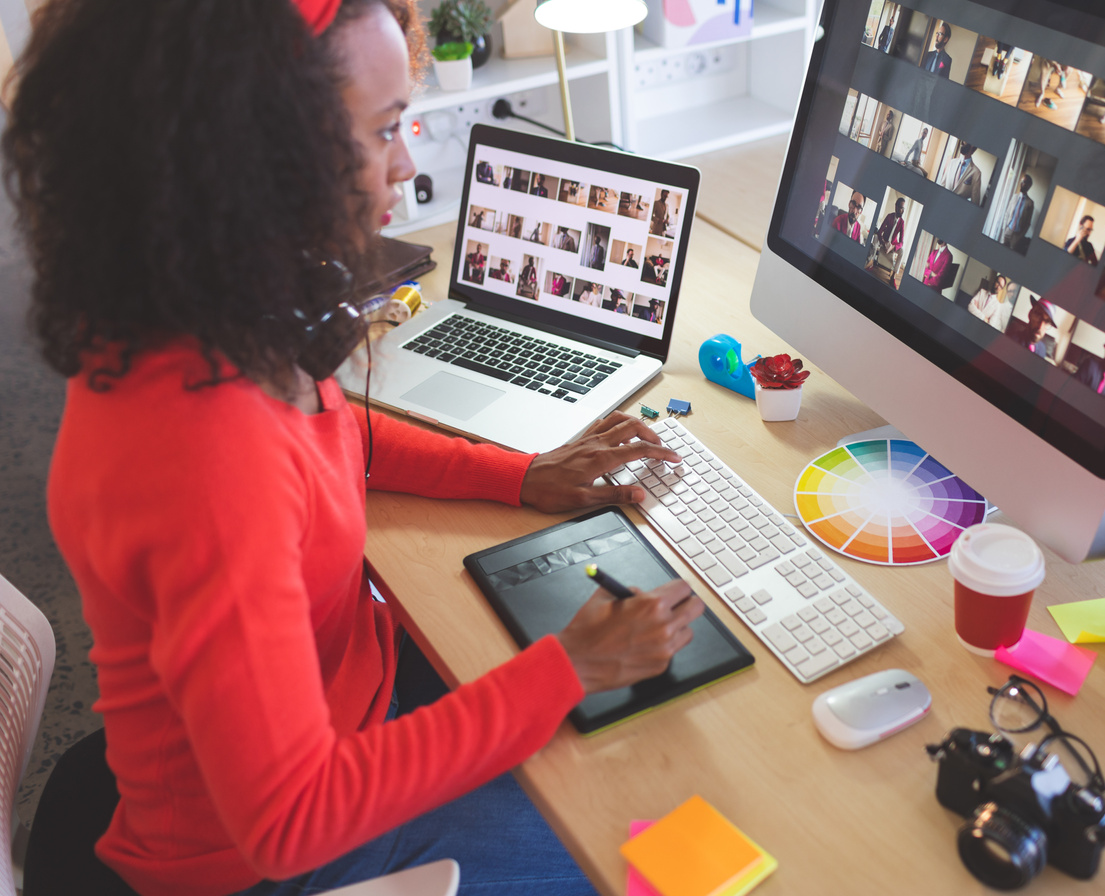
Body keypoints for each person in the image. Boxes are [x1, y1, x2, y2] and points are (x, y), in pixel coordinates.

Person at [4, 2, 707, 896]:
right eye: (383, 131)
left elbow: (334, 431)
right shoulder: (205, 451)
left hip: (349, 700)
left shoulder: (189, 313)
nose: (407, 168)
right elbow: (291, 821)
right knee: (644, 844)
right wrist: (572, 668)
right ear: (254, 159)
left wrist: (521, 474)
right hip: (275, 861)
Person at [866, 197, 905, 286]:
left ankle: (893, 276)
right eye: (899, 207)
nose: (901, 210)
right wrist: (884, 242)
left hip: (892, 246)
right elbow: (880, 232)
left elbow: (902, 242)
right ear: (896, 207)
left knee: (902, 251)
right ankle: (871, 263)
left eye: (903, 208)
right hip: (884, 241)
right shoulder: (889, 216)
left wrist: (893, 247)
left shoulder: (902, 222)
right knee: (875, 237)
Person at [1000, 174, 1034, 252]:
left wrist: (1020, 236)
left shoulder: (1030, 203)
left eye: (1024, 182)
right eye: (1021, 181)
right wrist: (1005, 228)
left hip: (1017, 235)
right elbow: (1007, 213)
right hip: (1007, 231)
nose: (1021, 183)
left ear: (1029, 185)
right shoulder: (1014, 197)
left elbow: (1028, 223)